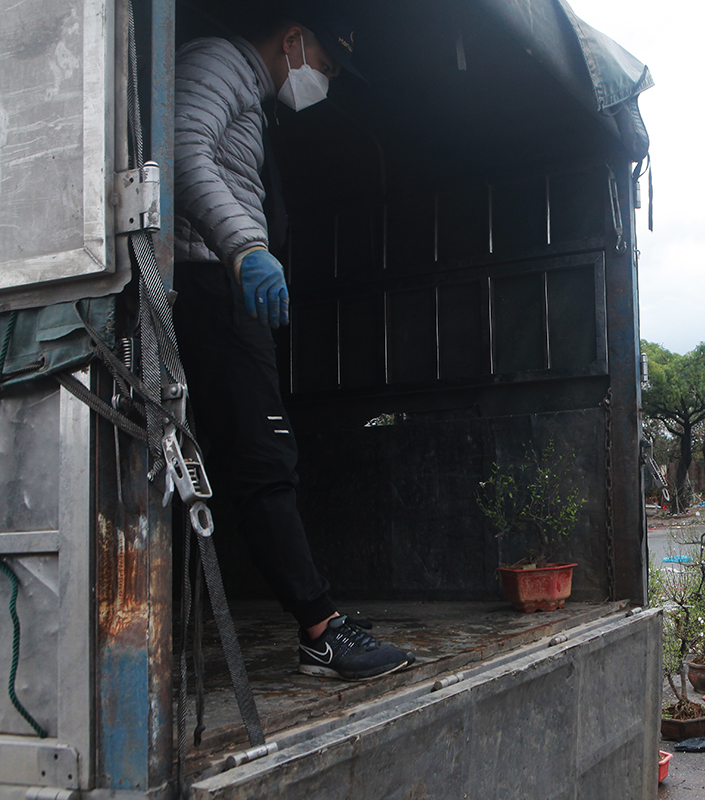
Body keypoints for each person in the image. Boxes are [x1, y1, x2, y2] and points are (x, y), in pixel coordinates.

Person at [173, 3, 415, 680]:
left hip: (222, 285)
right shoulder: (217, 61)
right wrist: (246, 246)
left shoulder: (250, 91)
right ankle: (320, 631)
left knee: (253, 453)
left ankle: (318, 619)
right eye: (327, 65)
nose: (325, 81)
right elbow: (182, 152)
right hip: (208, 281)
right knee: (264, 454)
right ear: (292, 39)